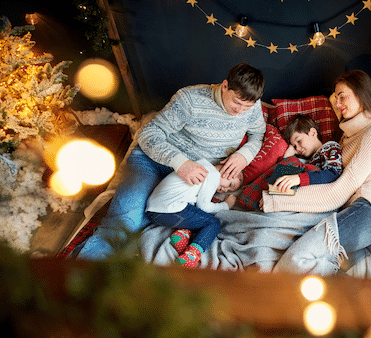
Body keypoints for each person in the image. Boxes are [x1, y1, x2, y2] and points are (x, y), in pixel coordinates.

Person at [75, 63, 266, 260]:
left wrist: (244, 155)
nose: (241, 111)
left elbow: (258, 133)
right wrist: (181, 163)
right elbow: (149, 134)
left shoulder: (252, 106)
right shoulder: (189, 99)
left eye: (247, 107)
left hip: (193, 179)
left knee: (150, 219)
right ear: (225, 86)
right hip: (154, 163)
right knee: (126, 222)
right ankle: (80, 275)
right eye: (236, 103)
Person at [261, 69, 371, 265]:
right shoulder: (348, 136)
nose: (338, 104)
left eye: (342, 97)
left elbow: (339, 191)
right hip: (350, 209)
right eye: (336, 99)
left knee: (296, 258)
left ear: (361, 94)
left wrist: (276, 198)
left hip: (370, 210)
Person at [146, 159, 242, 268]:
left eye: (229, 190)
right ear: (227, 171)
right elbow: (204, 207)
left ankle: (182, 235)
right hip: (167, 209)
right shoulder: (213, 175)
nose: (226, 190)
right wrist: (226, 205)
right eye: (230, 185)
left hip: (155, 209)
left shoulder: (200, 165)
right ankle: (191, 256)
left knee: (197, 215)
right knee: (213, 223)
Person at [271, 115, 343, 193]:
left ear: (313, 133)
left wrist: (299, 178)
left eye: (299, 141)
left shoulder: (329, 147)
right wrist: (287, 157)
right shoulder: (306, 160)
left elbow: (333, 174)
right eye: (295, 146)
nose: (297, 149)